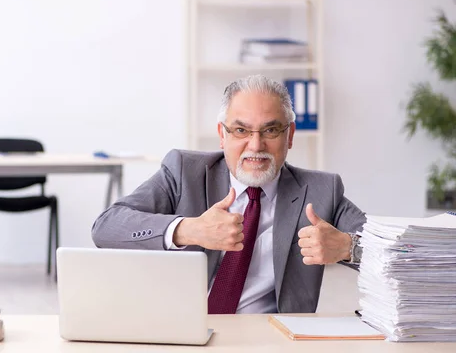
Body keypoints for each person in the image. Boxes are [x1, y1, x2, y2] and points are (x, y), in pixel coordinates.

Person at [92, 74, 366, 314]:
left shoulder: (320, 191)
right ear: (222, 135)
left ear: (290, 135)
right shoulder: (183, 171)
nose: (256, 145)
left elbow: (401, 253)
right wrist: (187, 229)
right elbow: (106, 226)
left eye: (271, 130)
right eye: (240, 130)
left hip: (269, 340)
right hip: (180, 334)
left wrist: (347, 247)